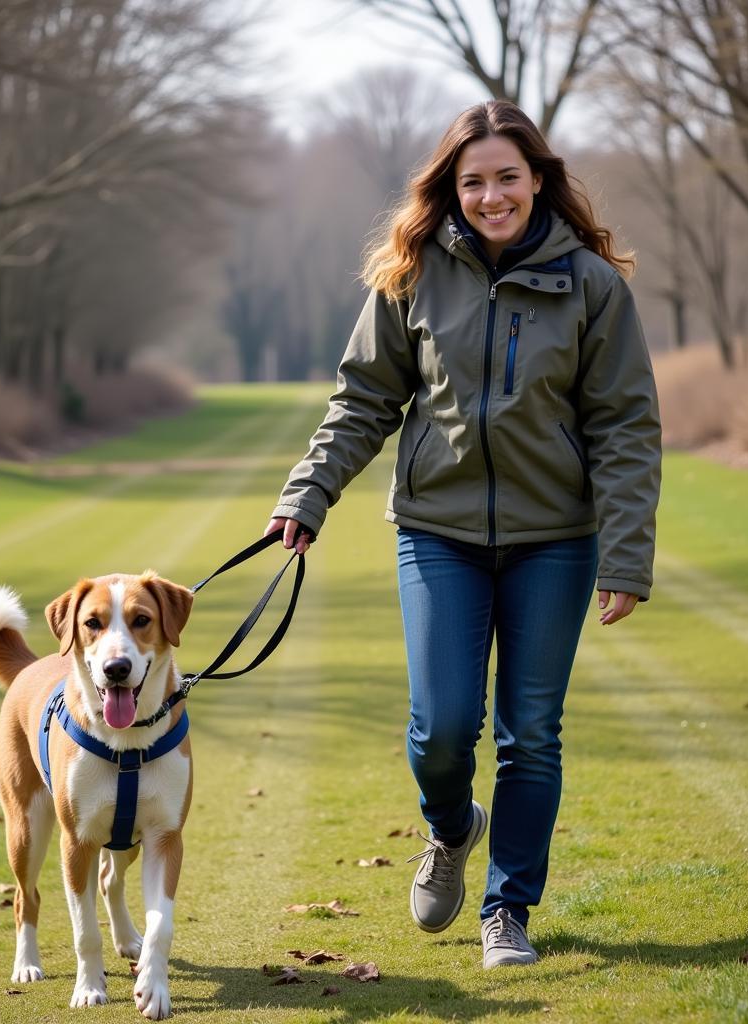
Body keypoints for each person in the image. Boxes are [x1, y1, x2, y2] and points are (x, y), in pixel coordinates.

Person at [265, 100, 661, 969]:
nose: (491, 197)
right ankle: (452, 829)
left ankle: (506, 912)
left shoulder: (591, 285)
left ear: (538, 182)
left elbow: (626, 428)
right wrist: (309, 495)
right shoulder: (411, 274)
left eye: (507, 178)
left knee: (532, 731)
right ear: (451, 187)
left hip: (555, 539)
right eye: (473, 180)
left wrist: (626, 555)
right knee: (442, 728)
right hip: (436, 531)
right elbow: (364, 399)